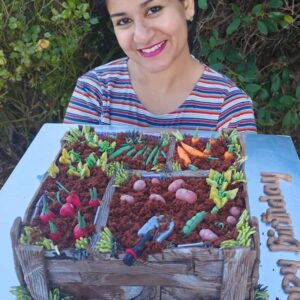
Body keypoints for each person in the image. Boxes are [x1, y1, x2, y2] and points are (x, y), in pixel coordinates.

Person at [64, 0, 256, 132]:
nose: (142, 35)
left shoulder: (229, 107)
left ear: (187, 5)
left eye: (153, 10)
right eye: (124, 21)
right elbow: (67, 178)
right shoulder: (94, 91)